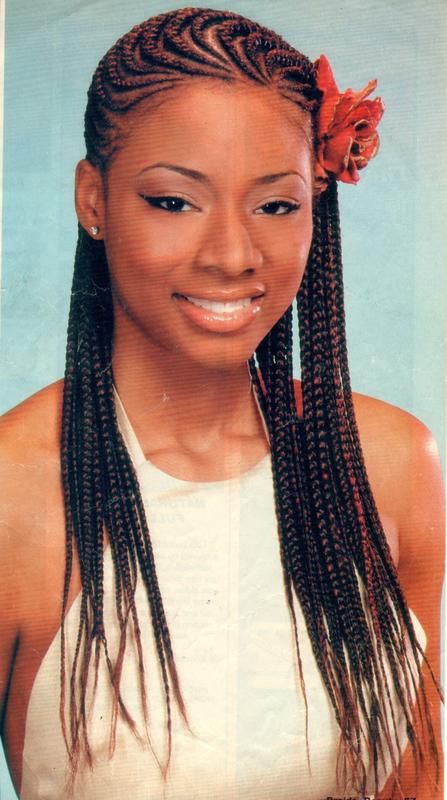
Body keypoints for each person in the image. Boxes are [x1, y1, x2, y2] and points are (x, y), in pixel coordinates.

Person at [0, 7, 443, 800]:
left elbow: (415, 782)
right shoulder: (15, 493)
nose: (234, 255)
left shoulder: (393, 464)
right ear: (92, 199)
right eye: (174, 201)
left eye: (275, 205)